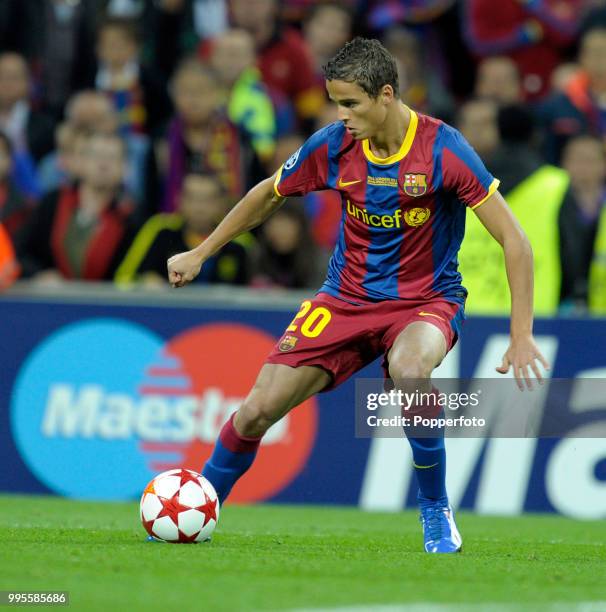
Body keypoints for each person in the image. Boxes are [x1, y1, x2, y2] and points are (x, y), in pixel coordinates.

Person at [166, 38, 549, 553]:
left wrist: (519, 335)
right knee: (257, 410)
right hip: (344, 300)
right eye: (335, 103)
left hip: (425, 300)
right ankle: (201, 506)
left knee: (412, 368)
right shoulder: (333, 145)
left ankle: (435, 509)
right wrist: (203, 251)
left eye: (350, 104)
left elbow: (515, 241)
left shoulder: (443, 148)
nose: (340, 115)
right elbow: (267, 194)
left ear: (386, 95)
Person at [18, 131, 136, 283]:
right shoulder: (52, 203)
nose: (103, 164)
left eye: (112, 158)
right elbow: (22, 252)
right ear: (80, 162)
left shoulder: (131, 220)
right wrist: (39, 274)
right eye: (96, 155)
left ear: (124, 168)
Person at [115, 172, 251, 286]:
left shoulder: (239, 240)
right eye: (192, 198)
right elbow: (124, 278)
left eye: (207, 200)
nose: (199, 207)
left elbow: (256, 289)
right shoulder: (160, 230)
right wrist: (145, 283)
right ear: (179, 200)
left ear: (222, 203)